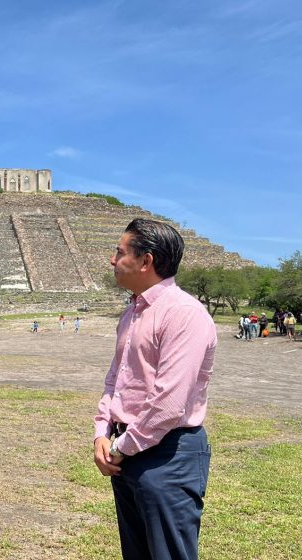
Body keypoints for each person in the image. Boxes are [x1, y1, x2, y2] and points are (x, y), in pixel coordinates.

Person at [94, 218, 216, 560]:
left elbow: (169, 402)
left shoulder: (183, 314)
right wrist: (101, 432)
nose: (112, 260)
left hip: (167, 454)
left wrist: (121, 446)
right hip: (127, 450)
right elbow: (116, 380)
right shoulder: (132, 312)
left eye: (119, 252)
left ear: (146, 261)